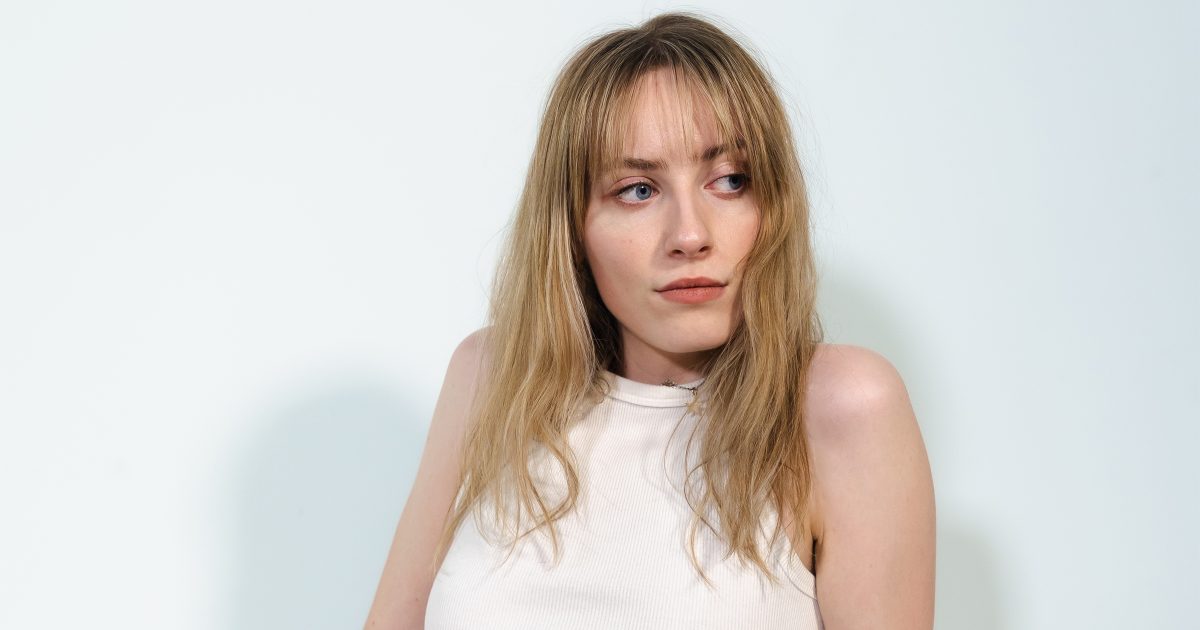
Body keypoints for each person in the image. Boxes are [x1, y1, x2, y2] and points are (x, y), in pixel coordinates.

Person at [364, 11, 935, 630]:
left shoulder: (840, 404)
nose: (690, 235)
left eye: (730, 181)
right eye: (638, 189)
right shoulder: (492, 377)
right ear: (572, 226)